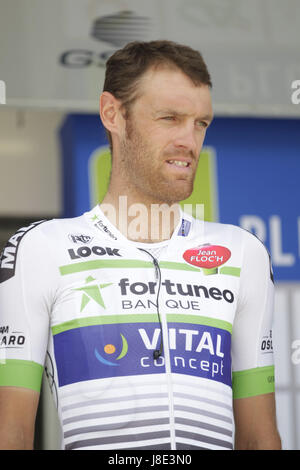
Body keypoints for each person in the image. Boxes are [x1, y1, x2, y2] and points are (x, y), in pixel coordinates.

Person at [0, 40, 281, 450]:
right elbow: (12, 432)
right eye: (170, 118)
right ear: (113, 114)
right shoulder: (42, 248)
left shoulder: (244, 253)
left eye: (201, 123)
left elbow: (261, 437)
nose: (189, 140)